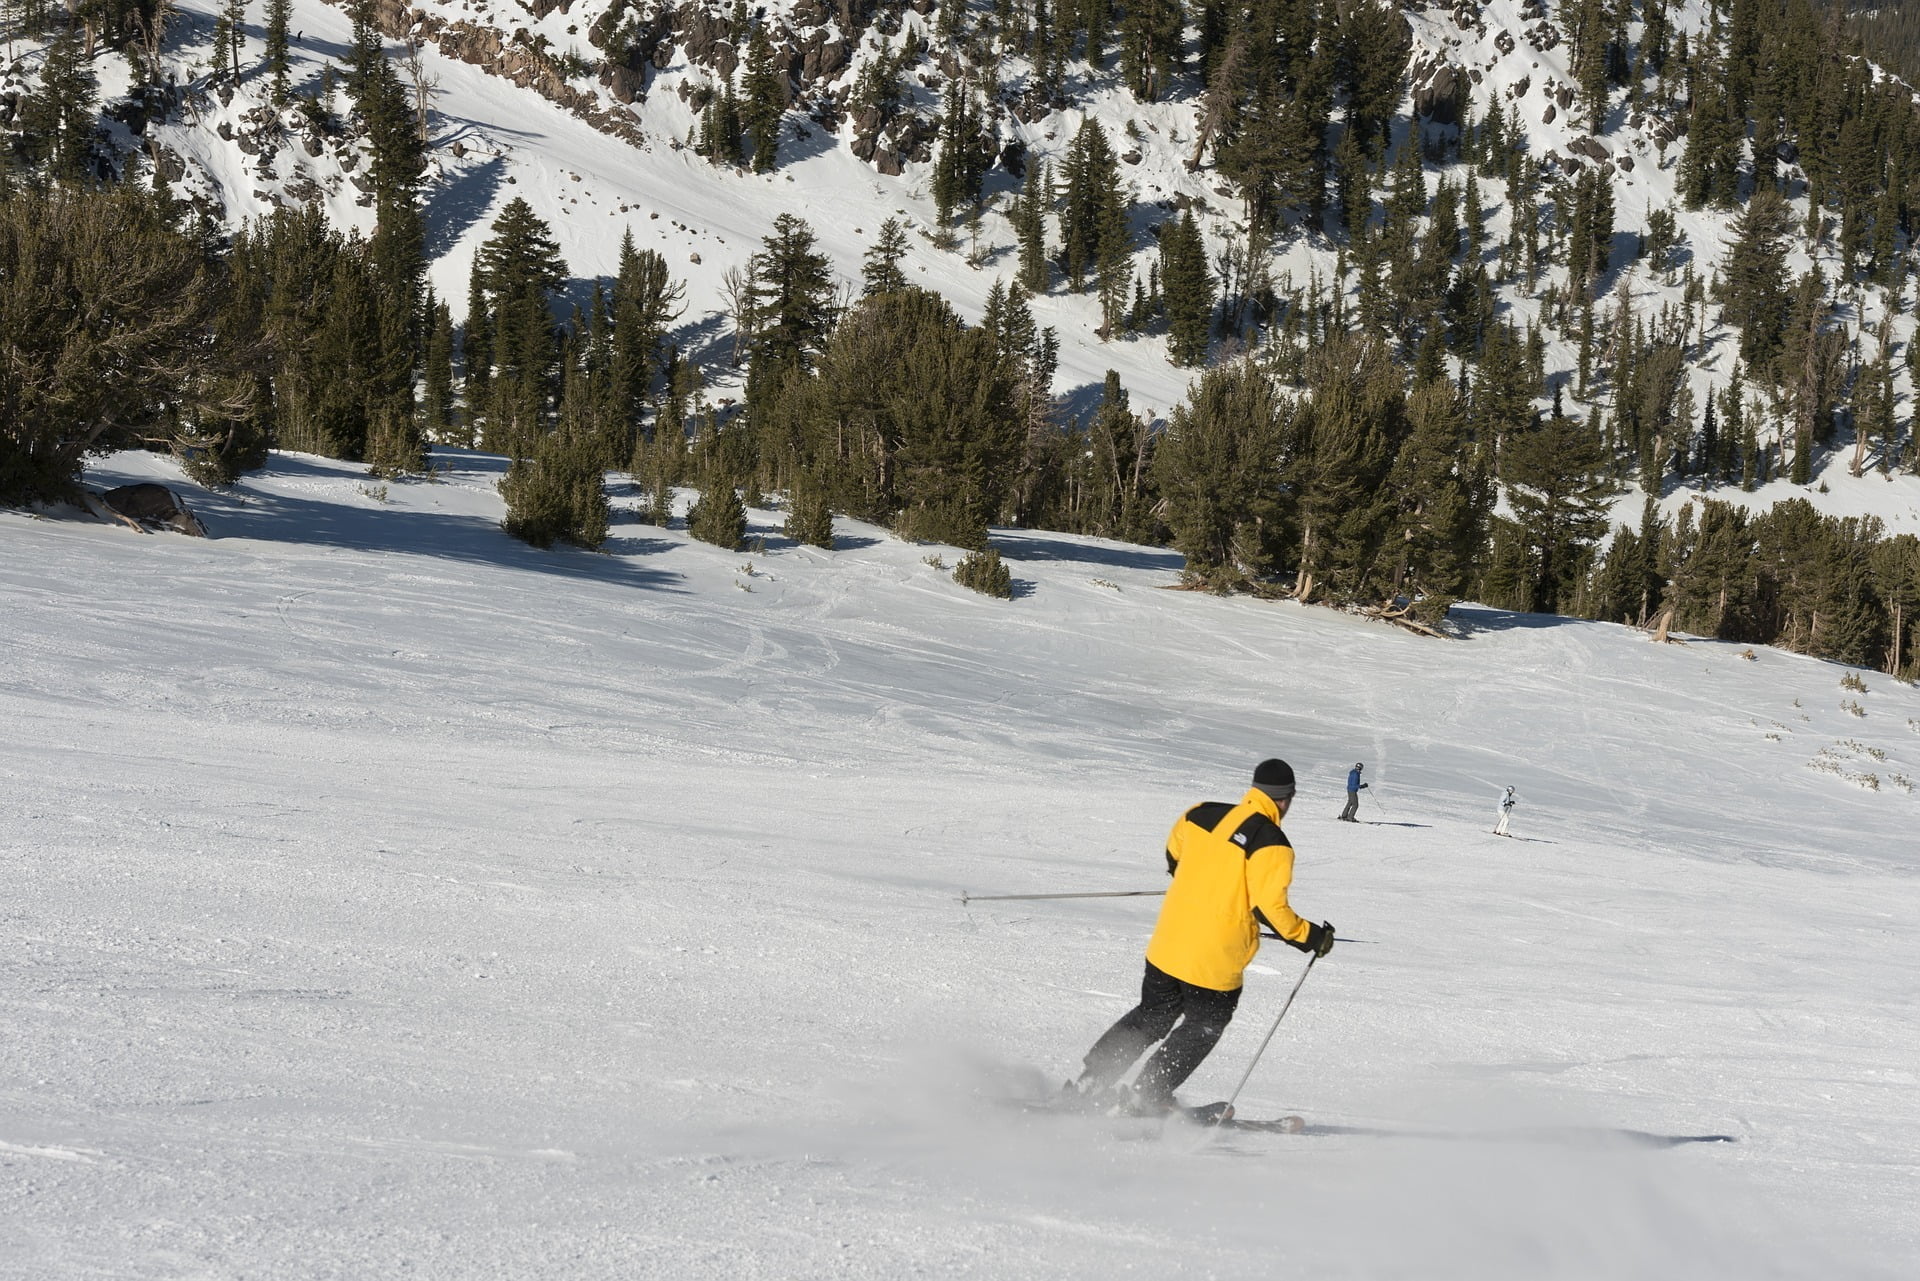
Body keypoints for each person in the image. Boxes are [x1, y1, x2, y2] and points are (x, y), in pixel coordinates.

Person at [1073, 759, 1334, 1115]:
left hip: (1168, 943)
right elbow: (1269, 909)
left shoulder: (1200, 813)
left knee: (1151, 1015)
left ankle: (1092, 1081)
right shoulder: (1272, 843)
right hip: (1214, 962)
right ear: (1286, 799)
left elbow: (1174, 854)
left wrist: (1201, 882)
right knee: (1203, 1026)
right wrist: (1313, 937)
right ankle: (1147, 1095)